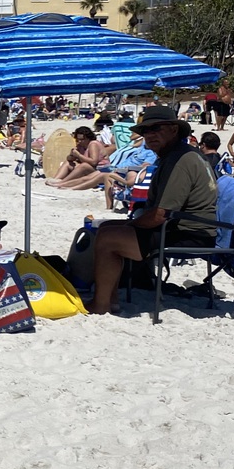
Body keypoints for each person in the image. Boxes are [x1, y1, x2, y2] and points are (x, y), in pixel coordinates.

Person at [90, 106, 218, 315]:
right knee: (107, 228)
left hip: (190, 233)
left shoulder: (180, 160)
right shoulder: (180, 155)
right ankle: (109, 299)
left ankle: (101, 304)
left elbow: (160, 214)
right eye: (145, 131)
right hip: (189, 227)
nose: (150, 135)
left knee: (108, 239)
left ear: (174, 130)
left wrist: (129, 225)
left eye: (156, 128)